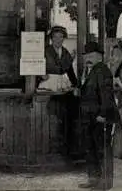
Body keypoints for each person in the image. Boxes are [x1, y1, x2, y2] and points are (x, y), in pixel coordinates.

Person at [78, 42, 120, 190]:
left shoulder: (102, 70)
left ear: (99, 56)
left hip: (100, 117)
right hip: (90, 117)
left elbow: (106, 95)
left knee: (102, 150)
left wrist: (103, 114)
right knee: (91, 149)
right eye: (86, 56)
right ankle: (94, 180)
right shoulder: (92, 70)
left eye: (91, 56)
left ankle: (105, 183)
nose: (87, 58)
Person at [41, 26, 80, 159]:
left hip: (61, 84)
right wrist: (40, 75)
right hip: (48, 83)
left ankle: (63, 147)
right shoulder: (45, 51)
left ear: (64, 38)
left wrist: (76, 85)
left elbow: (70, 71)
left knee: (63, 114)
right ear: (51, 38)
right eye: (55, 37)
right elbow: (36, 66)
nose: (58, 40)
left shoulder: (65, 52)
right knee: (48, 114)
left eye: (61, 37)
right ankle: (48, 147)